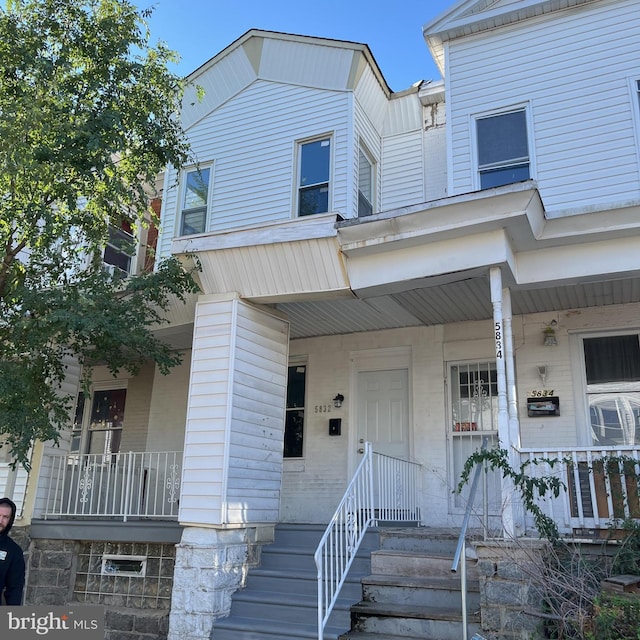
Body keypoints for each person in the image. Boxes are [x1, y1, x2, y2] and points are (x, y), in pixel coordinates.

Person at [0, 497, 25, 605]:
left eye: (5, 517)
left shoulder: (13, 551)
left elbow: (15, 589)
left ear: (10, 520)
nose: (0, 520)